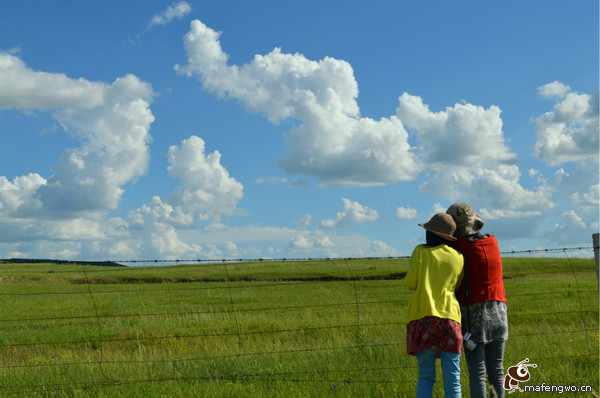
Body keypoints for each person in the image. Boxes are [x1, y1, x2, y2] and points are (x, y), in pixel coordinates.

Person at [446, 203, 508, 398]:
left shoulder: (459, 247)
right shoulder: (493, 242)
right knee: (497, 370)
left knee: (477, 372)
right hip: (499, 310)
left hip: (474, 314)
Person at [405, 213, 464, 398]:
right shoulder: (458, 257)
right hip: (450, 321)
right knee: (453, 379)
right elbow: (458, 285)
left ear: (430, 233)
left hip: (423, 321)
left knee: (425, 377)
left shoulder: (420, 252)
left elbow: (410, 283)